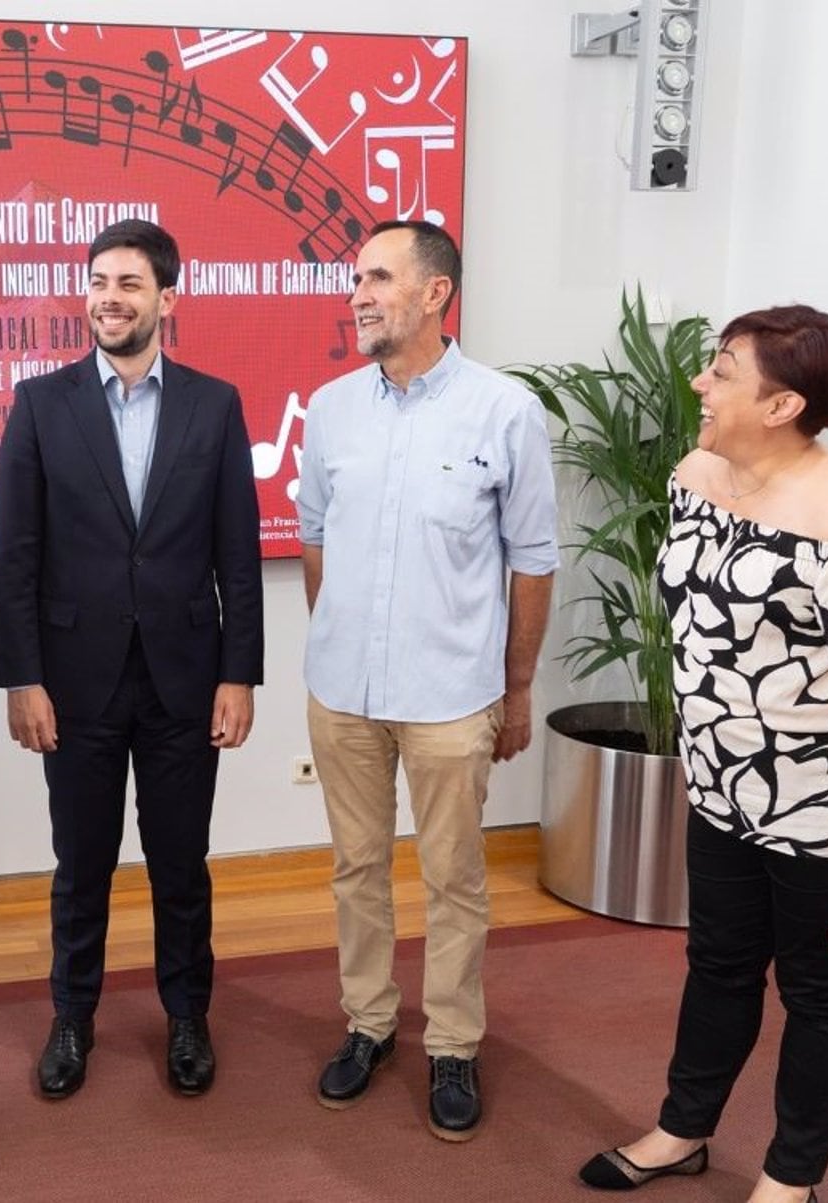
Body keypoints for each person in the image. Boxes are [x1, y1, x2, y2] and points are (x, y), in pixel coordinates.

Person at [577, 306, 828, 1203]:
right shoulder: (699, 473)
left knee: (818, 995)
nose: (701, 381)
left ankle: (788, 1178)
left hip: (818, 802)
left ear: (782, 405)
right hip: (718, 786)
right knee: (719, 965)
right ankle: (682, 1130)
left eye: (723, 369)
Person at [294, 219, 557, 1141]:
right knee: (356, 868)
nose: (357, 294)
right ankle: (368, 1024)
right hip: (344, 696)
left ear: (435, 293)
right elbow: (315, 541)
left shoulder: (505, 411)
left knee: (455, 877)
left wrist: (516, 689)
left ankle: (452, 1042)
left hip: (453, 696)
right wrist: (335, 639)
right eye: (355, 278)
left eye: (377, 276)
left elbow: (532, 561)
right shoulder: (330, 409)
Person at [0, 219, 263, 1099]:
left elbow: (238, 552)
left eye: (130, 284)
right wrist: (21, 678)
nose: (110, 296)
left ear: (167, 300)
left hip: (187, 673)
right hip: (75, 681)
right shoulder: (40, 402)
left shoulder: (215, 405)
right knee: (83, 861)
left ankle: (188, 1015)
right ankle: (73, 1016)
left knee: (183, 862)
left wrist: (239, 673)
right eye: (99, 281)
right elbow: (15, 556)